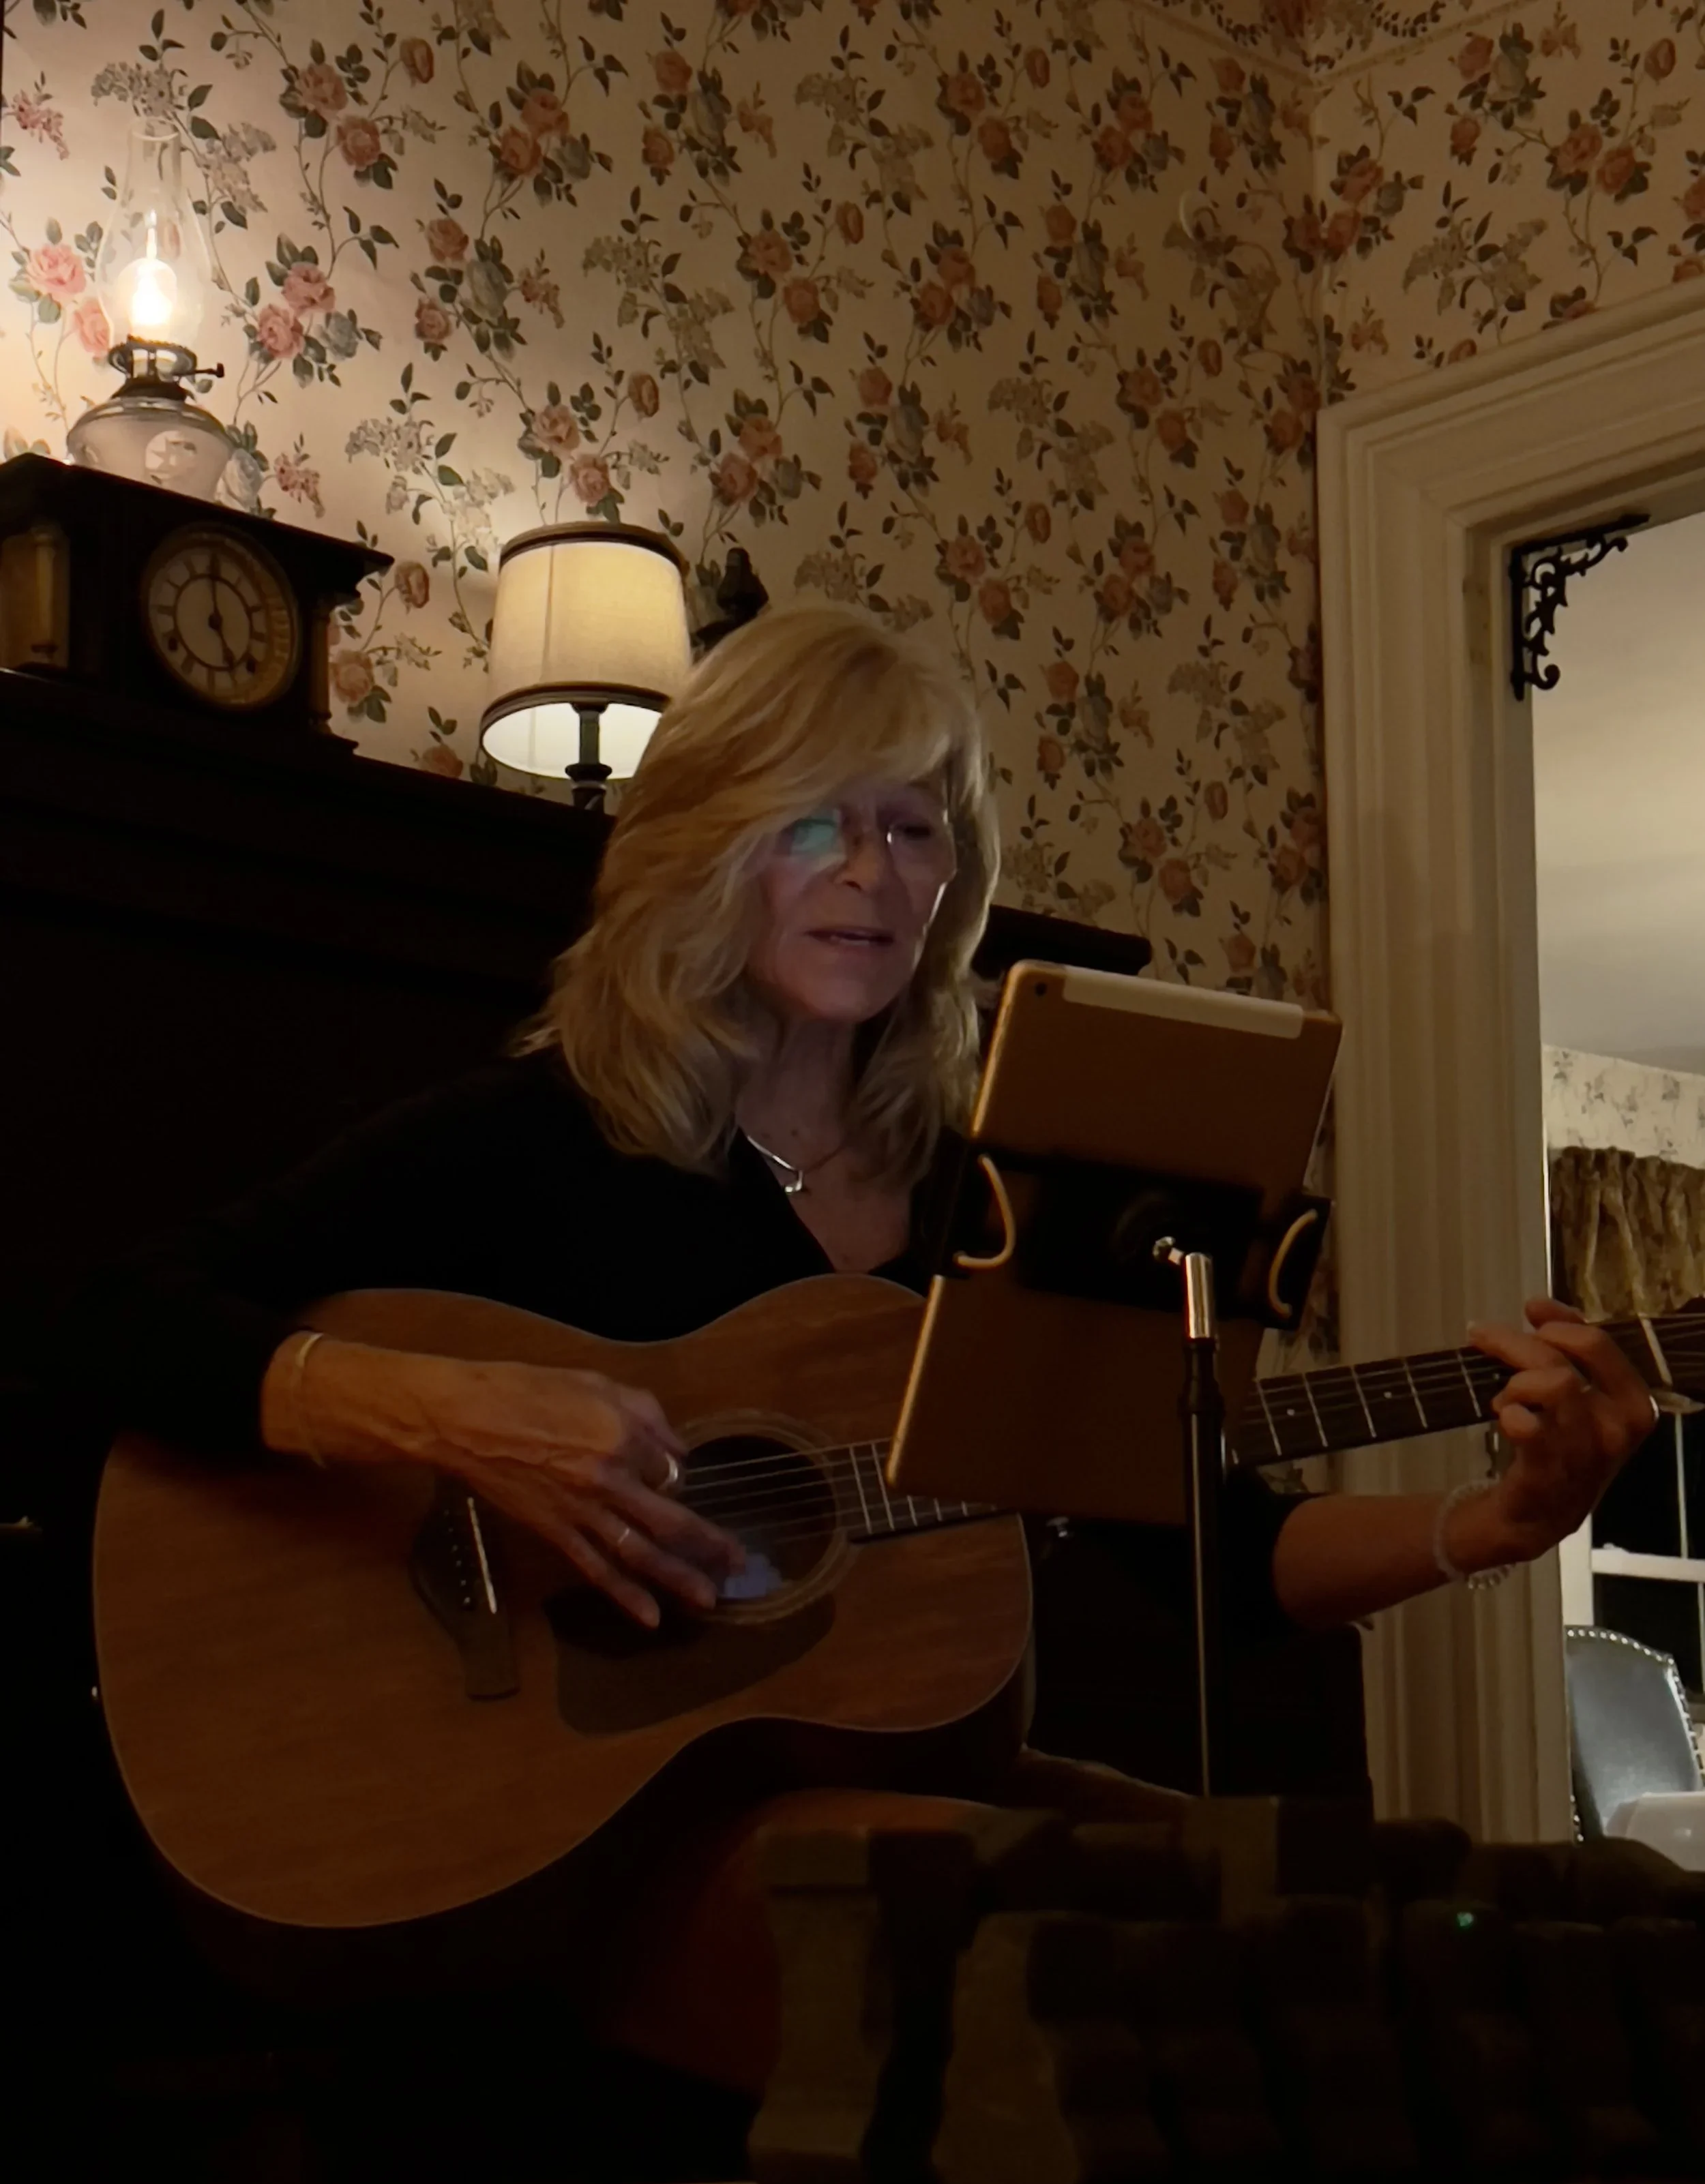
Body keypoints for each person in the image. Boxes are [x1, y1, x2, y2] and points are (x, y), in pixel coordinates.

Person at [59, 601, 1655, 2096]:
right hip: (589, 1843)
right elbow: (91, 1323)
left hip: (881, 1800)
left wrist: (1494, 1521)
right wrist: (443, 1411)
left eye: (913, 829)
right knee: (1032, 1935)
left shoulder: (996, 1196)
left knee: (1361, 1915)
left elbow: (1216, 1549)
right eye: (813, 823)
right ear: (700, 850)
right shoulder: (536, 1142)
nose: (874, 877)